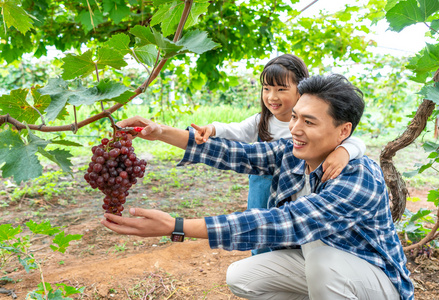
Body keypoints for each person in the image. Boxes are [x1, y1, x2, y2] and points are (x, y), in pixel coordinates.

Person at [102, 74, 414, 299]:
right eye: (294, 118)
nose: (294, 129)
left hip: (376, 282)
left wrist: (177, 226)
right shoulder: (291, 152)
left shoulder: (359, 176)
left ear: (344, 130)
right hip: (324, 270)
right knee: (242, 276)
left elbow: (287, 222)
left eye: (309, 122)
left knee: (323, 261)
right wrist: (160, 132)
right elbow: (233, 153)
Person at [192, 54, 366, 255]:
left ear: (301, 90)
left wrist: (343, 152)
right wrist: (212, 129)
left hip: (293, 187)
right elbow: (237, 131)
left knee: (291, 228)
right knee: (259, 228)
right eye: (267, 89)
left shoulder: (316, 122)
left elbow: (354, 140)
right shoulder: (262, 120)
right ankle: (263, 265)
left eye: (281, 89)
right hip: (263, 185)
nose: (272, 97)